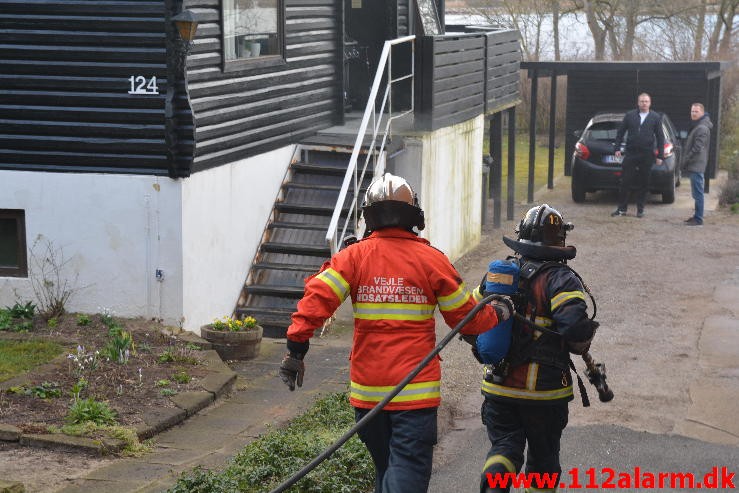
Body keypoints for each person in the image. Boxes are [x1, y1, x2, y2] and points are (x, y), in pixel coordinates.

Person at [279, 172, 514, 493]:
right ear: (414, 215)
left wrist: (295, 350)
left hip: (368, 397)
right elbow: (467, 319)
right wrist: (500, 312)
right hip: (414, 398)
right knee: (405, 474)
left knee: (387, 470)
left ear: (369, 215)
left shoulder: (352, 258)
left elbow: (314, 301)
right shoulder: (432, 261)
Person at [477, 204, 598, 493]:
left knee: (504, 447)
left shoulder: (501, 276)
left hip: (500, 387)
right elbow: (575, 330)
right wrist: (586, 334)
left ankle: (494, 485)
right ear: (559, 240)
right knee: (543, 463)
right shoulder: (561, 278)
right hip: (545, 392)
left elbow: (472, 319)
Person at [611, 93, 665, 218]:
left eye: (646, 101)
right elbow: (620, 132)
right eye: (642, 101)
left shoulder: (655, 117)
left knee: (644, 182)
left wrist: (660, 155)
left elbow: (660, 137)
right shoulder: (630, 115)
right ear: (638, 102)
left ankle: (640, 209)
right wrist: (617, 148)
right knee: (625, 181)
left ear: (650, 103)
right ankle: (622, 209)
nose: (644, 103)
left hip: (647, 154)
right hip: (631, 153)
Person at [681, 103, 713, 226]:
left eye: (696, 111)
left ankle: (698, 219)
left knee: (698, 193)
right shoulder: (699, 125)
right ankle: (696, 216)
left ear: (702, 112)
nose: (693, 113)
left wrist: (686, 159)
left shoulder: (702, 128)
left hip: (696, 165)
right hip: (695, 165)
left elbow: (697, 148)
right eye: (692, 111)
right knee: (696, 193)